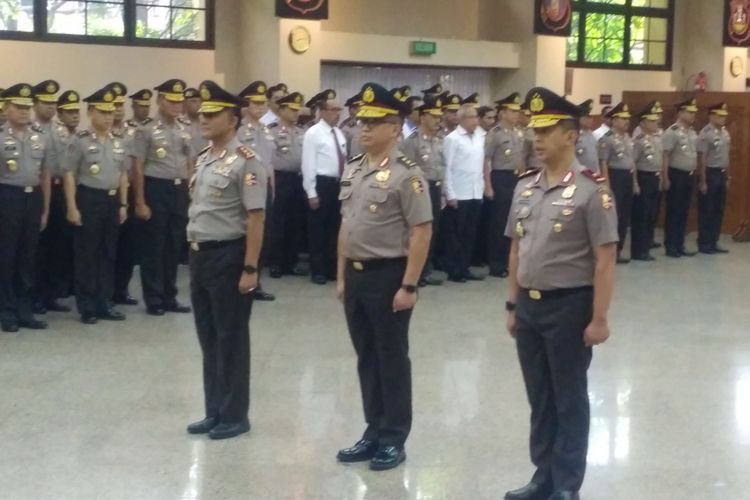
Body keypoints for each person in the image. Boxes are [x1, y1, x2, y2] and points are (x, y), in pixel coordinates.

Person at [504, 87, 617, 500]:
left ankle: (567, 484)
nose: (537, 138)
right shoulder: (526, 187)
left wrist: (599, 318)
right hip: (530, 307)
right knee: (540, 397)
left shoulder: (593, 190)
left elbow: (605, 259)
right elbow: (515, 249)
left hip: (570, 307)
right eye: (534, 129)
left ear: (571, 136)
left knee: (569, 399)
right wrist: (512, 303)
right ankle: (542, 476)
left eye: (547, 129)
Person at [335, 82, 432, 471]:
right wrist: (341, 276)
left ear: (395, 128)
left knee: (391, 358)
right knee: (367, 357)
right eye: (362, 121)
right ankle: (372, 429)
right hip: (357, 276)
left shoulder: (408, 175)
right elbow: (346, 225)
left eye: (375, 122)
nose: (365, 128)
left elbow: (421, 230)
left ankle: (394, 437)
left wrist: (409, 284)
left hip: (389, 275)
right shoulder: (354, 169)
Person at [185, 80, 267, 440]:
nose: (204, 118)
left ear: (232, 119)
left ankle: (235, 415)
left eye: (212, 114)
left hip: (229, 255)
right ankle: (214, 409)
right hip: (200, 255)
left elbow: (255, 218)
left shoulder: (246, 162)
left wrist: (250, 267)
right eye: (202, 113)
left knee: (231, 338)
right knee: (209, 337)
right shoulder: (205, 158)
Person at [62, 86, 129, 325]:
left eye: (111, 112)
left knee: (108, 254)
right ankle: (87, 306)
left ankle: (104, 302)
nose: (109, 117)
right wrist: (72, 207)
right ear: (91, 112)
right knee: (87, 255)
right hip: (89, 199)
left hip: (112, 201)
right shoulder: (79, 140)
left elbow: (123, 174)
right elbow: (69, 173)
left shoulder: (119, 141)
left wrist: (123, 203)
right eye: (103, 112)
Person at [130, 79, 194, 315]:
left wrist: (191, 192)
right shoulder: (145, 129)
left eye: (180, 101)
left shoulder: (184, 127)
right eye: (171, 100)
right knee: (154, 246)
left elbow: (190, 162)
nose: (177, 105)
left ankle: (170, 296)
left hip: (179, 190)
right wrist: (139, 200)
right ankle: (154, 298)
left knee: (174, 245)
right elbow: (137, 166)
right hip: (155, 188)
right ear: (159, 101)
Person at [0, 83, 54, 332]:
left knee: (27, 257)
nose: (24, 111)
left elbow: (45, 175)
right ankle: (7, 312)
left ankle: (25, 309)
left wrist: (44, 210)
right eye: (18, 107)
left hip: (33, 199)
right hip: (7, 197)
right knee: (6, 257)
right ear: (7, 107)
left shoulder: (39, 137)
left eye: (27, 107)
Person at [35, 89, 81, 314]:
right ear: (35, 104)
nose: (51, 107)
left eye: (54, 102)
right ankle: (33, 296)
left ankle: (51, 295)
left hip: (60, 189)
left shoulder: (61, 131)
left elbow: (69, 164)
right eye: (46, 102)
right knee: (37, 246)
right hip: (36, 189)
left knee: (58, 244)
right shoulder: (30, 129)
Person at [236, 80, 278, 301]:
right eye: (255, 103)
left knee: (264, 235)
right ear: (245, 106)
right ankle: (244, 278)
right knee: (247, 235)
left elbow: (269, 163)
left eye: (263, 104)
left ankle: (257, 282)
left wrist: (273, 187)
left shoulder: (267, 130)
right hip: (249, 187)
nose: (260, 108)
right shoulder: (240, 131)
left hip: (265, 187)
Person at [302, 92, 347, 285]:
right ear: (322, 111)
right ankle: (318, 269)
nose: (338, 114)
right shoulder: (313, 133)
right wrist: (311, 192)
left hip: (337, 184)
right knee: (318, 229)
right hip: (321, 183)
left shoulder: (339, 133)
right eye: (334, 110)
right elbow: (308, 164)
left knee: (334, 229)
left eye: (339, 110)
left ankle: (331, 267)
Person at [400, 94, 445, 287]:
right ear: (423, 116)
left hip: (436, 188)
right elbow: (408, 171)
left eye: (439, 117)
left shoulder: (438, 140)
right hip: (420, 190)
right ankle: (415, 272)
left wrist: (443, 190)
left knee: (432, 231)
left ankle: (426, 269)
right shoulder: (412, 141)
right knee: (418, 231)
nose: (438, 120)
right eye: (434, 116)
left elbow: (441, 166)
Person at [112, 85, 151, 306]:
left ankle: (121, 290)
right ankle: (105, 290)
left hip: (130, 188)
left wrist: (139, 198)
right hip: (108, 190)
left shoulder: (133, 132)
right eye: (113, 106)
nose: (117, 110)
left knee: (128, 245)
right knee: (108, 246)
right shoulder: (99, 133)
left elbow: (138, 166)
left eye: (120, 105)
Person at [443, 103, 485, 283]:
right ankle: (454, 269)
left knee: (470, 234)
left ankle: (465, 267)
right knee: (456, 235)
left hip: (475, 191)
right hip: (459, 192)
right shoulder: (452, 139)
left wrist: (482, 188)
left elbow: (480, 165)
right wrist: (449, 193)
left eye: (476, 117)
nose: (475, 120)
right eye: (471, 117)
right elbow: (447, 167)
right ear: (461, 119)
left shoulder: (479, 137)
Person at [485, 92, 524, 278]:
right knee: (500, 223)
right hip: (500, 178)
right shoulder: (495, 134)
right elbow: (486, 160)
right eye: (512, 111)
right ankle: (496, 263)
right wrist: (488, 185)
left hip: (516, 178)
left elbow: (521, 158)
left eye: (517, 111)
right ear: (502, 113)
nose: (517, 114)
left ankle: (510, 261)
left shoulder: (519, 132)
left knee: (513, 222)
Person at [268, 92, 307, 279]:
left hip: (298, 178)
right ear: (281, 109)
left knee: (295, 221)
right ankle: (275, 262)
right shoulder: (272, 131)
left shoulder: (302, 132)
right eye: (292, 110)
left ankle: (290, 262)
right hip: (279, 178)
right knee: (278, 221)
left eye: (297, 110)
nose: (296, 113)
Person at [598, 102, 636, 264]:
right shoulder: (607, 139)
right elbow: (603, 162)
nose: (626, 121)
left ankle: (619, 249)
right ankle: (610, 251)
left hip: (627, 176)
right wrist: (606, 184)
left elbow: (632, 161)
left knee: (624, 216)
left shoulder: (628, 138)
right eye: (622, 119)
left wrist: (635, 182)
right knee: (613, 215)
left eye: (627, 118)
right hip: (615, 177)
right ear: (613, 120)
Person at [662, 97, 698, 258]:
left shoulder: (692, 132)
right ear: (681, 112)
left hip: (689, 176)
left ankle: (680, 243)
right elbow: (665, 155)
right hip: (676, 175)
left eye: (694, 113)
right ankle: (670, 245)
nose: (693, 115)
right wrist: (665, 177)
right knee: (674, 211)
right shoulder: (672, 132)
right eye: (690, 112)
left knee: (684, 211)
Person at [631, 102, 663, 261]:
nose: (655, 123)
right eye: (651, 121)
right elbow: (634, 163)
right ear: (643, 123)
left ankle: (646, 246)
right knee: (641, 216)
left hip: (655, 177)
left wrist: (662, 177)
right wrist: (635, 183)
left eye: (656, 120)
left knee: (651, 215)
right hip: (643, 177)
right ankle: (638, 250)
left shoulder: (657, 138)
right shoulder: (638, 140)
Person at [697, 102, 731, 254]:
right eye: (719, 115)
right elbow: (702, 158)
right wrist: (703, 180)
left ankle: (714, 240)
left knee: (718, 209)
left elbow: (726, 155)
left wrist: (728, 175)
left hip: (721, 173)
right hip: (710, 173)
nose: (723, 118)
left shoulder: (725, 132)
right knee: (707, 209)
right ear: (711, 116)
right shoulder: (706, 133)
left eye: (724, 115)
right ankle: (704, 243)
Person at [575, 99, 599, 172]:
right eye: (587, 117)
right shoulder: (574, 135)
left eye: (591, 117)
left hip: (594, 174)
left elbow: (595, 158)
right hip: (579, 175)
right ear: (579, 118)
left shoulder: (592, 134)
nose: (591, 119)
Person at [184, 87, 209, 154]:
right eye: (193, 101)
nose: (198, 104)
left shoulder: (207, 122)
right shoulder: (179, 124)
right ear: (184, 104)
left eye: (200, 101)